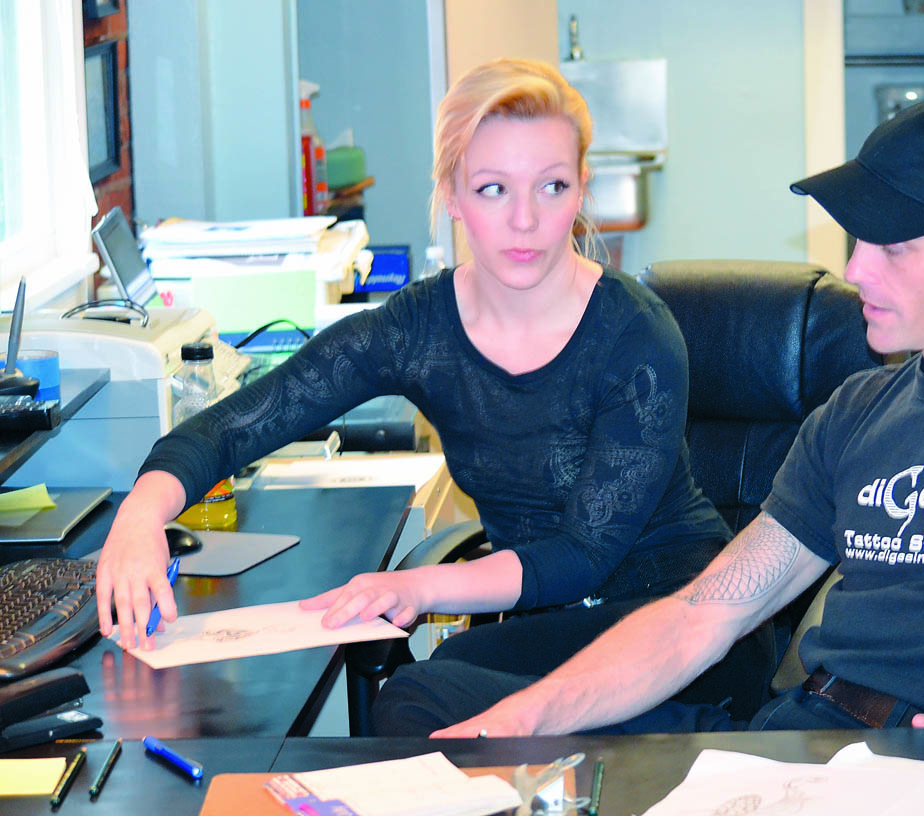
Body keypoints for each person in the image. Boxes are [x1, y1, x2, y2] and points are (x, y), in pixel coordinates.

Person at [404, 95, 924, 771]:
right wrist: (526, 717)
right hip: (797, 746)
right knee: (424, 706)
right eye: (857, 239)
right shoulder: (858, 411)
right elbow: (702, 616)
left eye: (895, 246)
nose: (858, 269)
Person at [94, 58, 777, 725]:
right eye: (492, 189)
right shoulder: (418, 329)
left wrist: (415, 587)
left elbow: (581, 556)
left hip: (687, 629)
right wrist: (139, 517)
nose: (525, 220)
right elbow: (242, 422)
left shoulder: (635, 333)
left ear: (580, 191)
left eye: (551, 186)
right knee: (426, 699)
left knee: (421, 701)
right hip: (553, 626)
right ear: (451, 194)